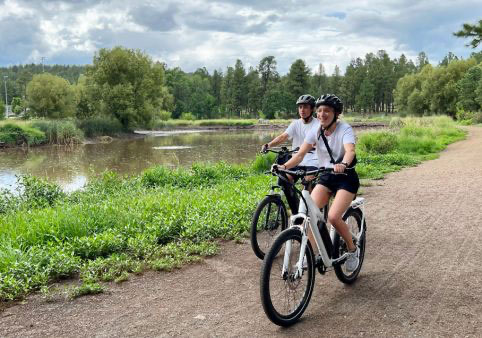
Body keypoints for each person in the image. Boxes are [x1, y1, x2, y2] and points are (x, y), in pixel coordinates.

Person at [274, 94, 361, 272]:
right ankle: (311, 253)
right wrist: (283, 166)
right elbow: (300, 155)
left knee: (333, 217)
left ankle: (353, 249)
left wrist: (343, 164)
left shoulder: (345, 128)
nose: (322, 114)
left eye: (327, 111)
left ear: (335, 113)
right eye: (320, 110)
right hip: (326, 176)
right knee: (308, 214)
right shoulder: (315, 131)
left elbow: (350, 150)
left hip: (346, 177)